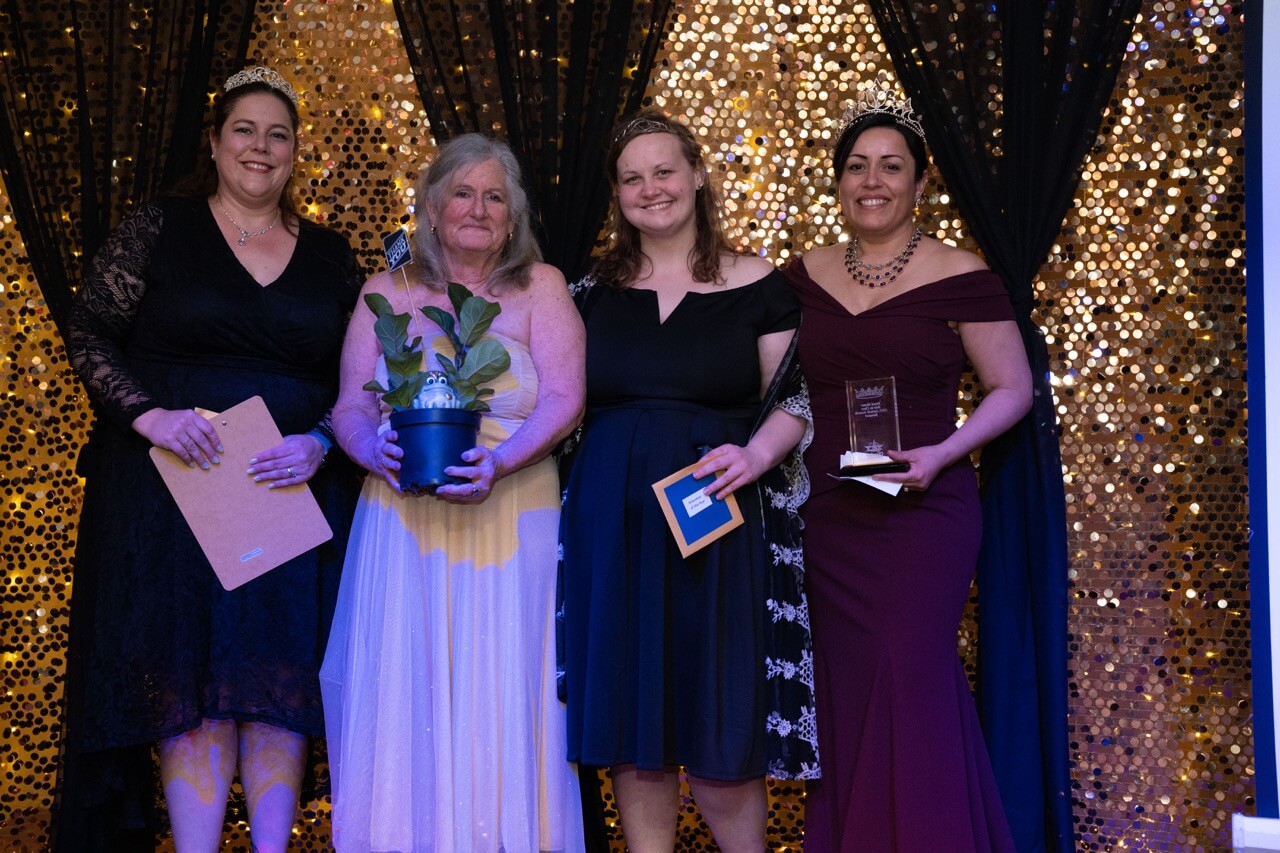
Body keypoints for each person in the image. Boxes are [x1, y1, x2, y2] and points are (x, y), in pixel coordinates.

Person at [55, 67, 363, 850]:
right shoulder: (161, 226)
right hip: (173, 493)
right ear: (218, 142)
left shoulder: (331, 257)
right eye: (245, 130)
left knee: (275, 675)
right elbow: (89, 329)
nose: (261, 147)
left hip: (290, 491)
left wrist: (322, 440)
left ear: (294, 151)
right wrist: (149, 415)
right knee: (188, 675)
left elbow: (365, 378)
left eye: (278, 134)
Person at [559, 109, 818, 853]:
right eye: (632, 178)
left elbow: (794, 401)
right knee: (634, 727)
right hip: (613, 524)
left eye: (665, 170)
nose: (651, 189)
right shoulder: (588, 291)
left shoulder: (759, 281)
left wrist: (755, 457)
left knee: (719, 721)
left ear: (698, 174)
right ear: (617, 193)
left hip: (718, 521)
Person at [320, 133, 587, 851]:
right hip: (404, 518)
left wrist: (499, 463)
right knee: (408, 684)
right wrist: (370, 451)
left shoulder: (542, 287)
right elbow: (350, 406)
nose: (478, 208)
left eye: (495, 197)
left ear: (514, 215)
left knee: (504, 685)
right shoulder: (386, 292)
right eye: (462, 194)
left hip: (513, 511)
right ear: (432, 209)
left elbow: (565, 399)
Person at [782, 86, 1032, 851]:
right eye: (857, 165)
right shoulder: (800, 276)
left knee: (909, 670)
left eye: (891, 166)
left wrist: (946, 452)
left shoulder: (962, 273)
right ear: (838, 181)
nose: (873, 181)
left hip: (923, 509)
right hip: (827, 515)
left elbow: (1013, 387)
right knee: (847, 684)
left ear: (921, 181)